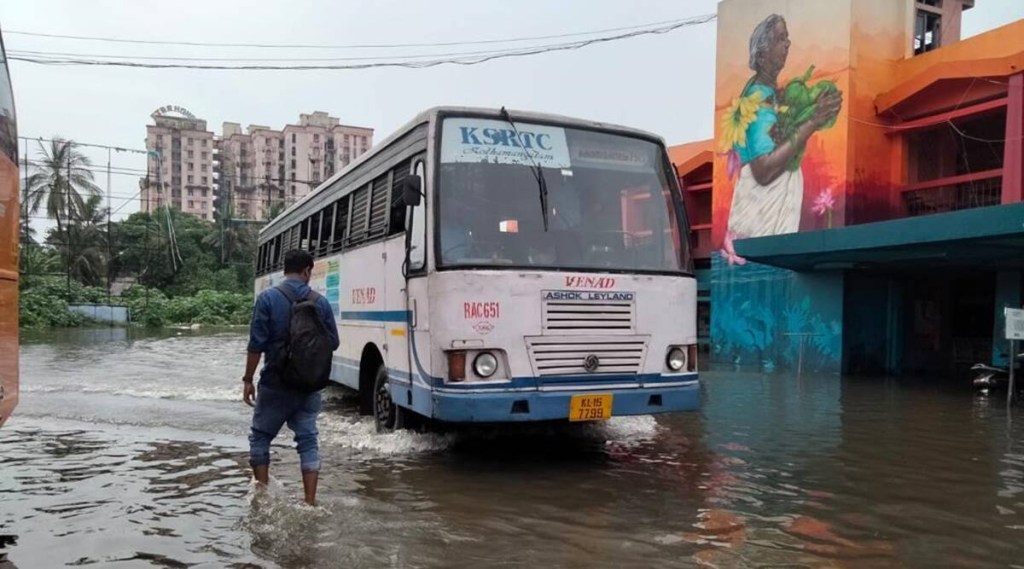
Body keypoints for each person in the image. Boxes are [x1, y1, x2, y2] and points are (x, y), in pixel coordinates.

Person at [725, 14, 843, 239]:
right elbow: (764, 169)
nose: (787, 44)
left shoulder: (773, 95)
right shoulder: (758, 99)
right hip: (760, 225)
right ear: (761, 56)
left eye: (787, 38)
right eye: (780, 39)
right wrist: (813, 121)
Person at [242, 249, 339, 506]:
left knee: (261, 438)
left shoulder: (267, 299)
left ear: (284, 269)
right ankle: (309, 502)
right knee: (308, 441)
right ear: (307, 271)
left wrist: (248, 379)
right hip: (308, 386)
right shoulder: (321, 302)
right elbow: (333, 343)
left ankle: (262, 497)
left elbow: (256, 345)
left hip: (275, 383)